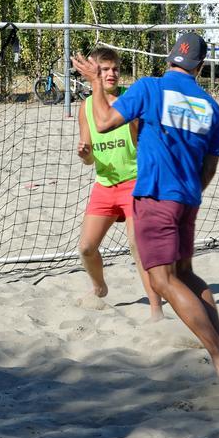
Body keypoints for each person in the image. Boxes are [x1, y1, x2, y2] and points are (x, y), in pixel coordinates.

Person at [72, 33, 219, 393]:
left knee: (161, 279)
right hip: (187, 200)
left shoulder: (149, 88)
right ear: (201, 67)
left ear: (169, 59)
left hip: (154, 196)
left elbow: (103, 122)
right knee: (186, 274)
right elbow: (209, 168)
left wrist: (95, 82)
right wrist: (189, 192)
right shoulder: (210, 106)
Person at [75, 46, 163, 321]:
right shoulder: (86, 107)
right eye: (104, 69)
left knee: (138, 245)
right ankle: (99, 288)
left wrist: (136, 123)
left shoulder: (130, 99)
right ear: (94, 74)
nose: (111, 73)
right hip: (105, 184)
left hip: (136, 182)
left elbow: (143, 143)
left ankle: (156, 309)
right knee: (86, 248)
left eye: (114, 68)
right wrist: (86, 153)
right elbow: (88, 158)